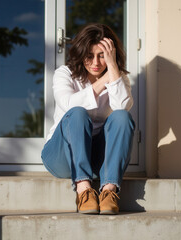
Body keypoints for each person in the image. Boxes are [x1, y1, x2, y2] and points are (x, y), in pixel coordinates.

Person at [41, 23, 135, 215]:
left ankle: (109, 192)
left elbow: (123, 109)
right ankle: (84, 190)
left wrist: (113, 71)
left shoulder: (117, 77)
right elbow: (68, 104)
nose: (96, 62)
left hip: (97, 159)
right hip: (61, 156)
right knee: (77, 112)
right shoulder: (64, 73)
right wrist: (104, 80)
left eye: (102, 56)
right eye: (89, 55)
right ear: (80, 53)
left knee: (122, 117)